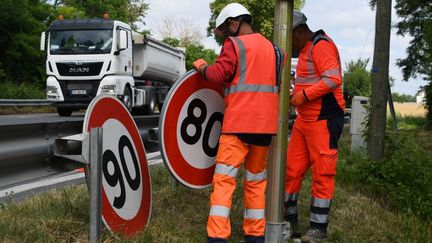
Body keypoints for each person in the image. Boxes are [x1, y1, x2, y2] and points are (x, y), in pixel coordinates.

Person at [192, 3, 286, 243]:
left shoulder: (234, 45)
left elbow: (218, 74)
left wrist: (202, 67)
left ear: (234, 23)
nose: (225, 35)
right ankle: (255, 236)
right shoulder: (277, 52)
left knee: (224, 180)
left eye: (225, 30)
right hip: (264, 128)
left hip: (238, 125)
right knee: (255, 181)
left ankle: (217, 237)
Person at [284, 11, 345, 242]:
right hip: (304, 120)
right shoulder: (307, 48)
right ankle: (289, 221)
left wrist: (303, 96)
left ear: (299, 32)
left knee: (323, 173)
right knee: (291, 169)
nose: (291, 45)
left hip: (324, 120)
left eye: (291, 39)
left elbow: (333, 79)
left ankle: (318, 229)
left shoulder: (321, 45)